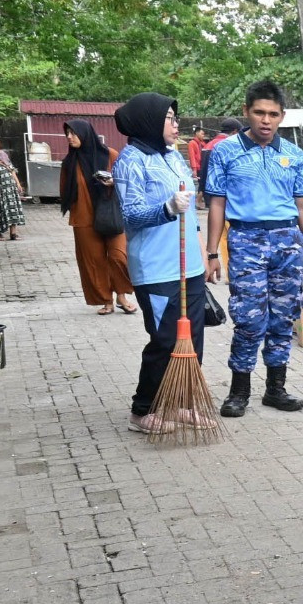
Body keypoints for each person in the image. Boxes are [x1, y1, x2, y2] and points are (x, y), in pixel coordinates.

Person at [205, 80, 303, 418]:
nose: (266, 120)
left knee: (284, 316)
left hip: (287, 243)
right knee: (249, 317)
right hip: (246, 242)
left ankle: (276, 388)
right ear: (246, 112)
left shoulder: (293, 154)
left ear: (281, 116)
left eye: (273, 114)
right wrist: (212, 252)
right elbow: (217, 204)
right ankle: (239, 390)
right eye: (259, 113)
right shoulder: (225, 151)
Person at [113, 94, 214, 435]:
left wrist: (205, 253)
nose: (175, 124)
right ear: (148, 122)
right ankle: (143, 409)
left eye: (175, 117)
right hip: (156, 268)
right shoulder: (131, 161)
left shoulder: (174, 157)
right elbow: (131, 214)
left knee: (193, 339)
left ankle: (180, 403)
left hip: (191, 266)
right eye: (169, 118)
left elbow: (193, 217)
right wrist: (167, 208)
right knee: (165, 339)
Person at [60, 120, 135, 315]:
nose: (69, 137)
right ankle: (106, 300)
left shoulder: (110, 155)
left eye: (73, 133)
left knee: (119, 256)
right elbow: (64, 190)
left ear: (85, 134)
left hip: (111, 213)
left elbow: (126, 182)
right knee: (94, 261)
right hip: (84, 218)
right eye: (67, 133)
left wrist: (113, 184)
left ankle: (121, 295)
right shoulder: (69, 162)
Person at [198, 120, 240, 195]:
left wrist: (200, 191)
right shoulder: (231, 147)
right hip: (226, 193)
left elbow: (203, 172)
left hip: (209, 192)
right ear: (235, 132)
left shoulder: (207, 145)